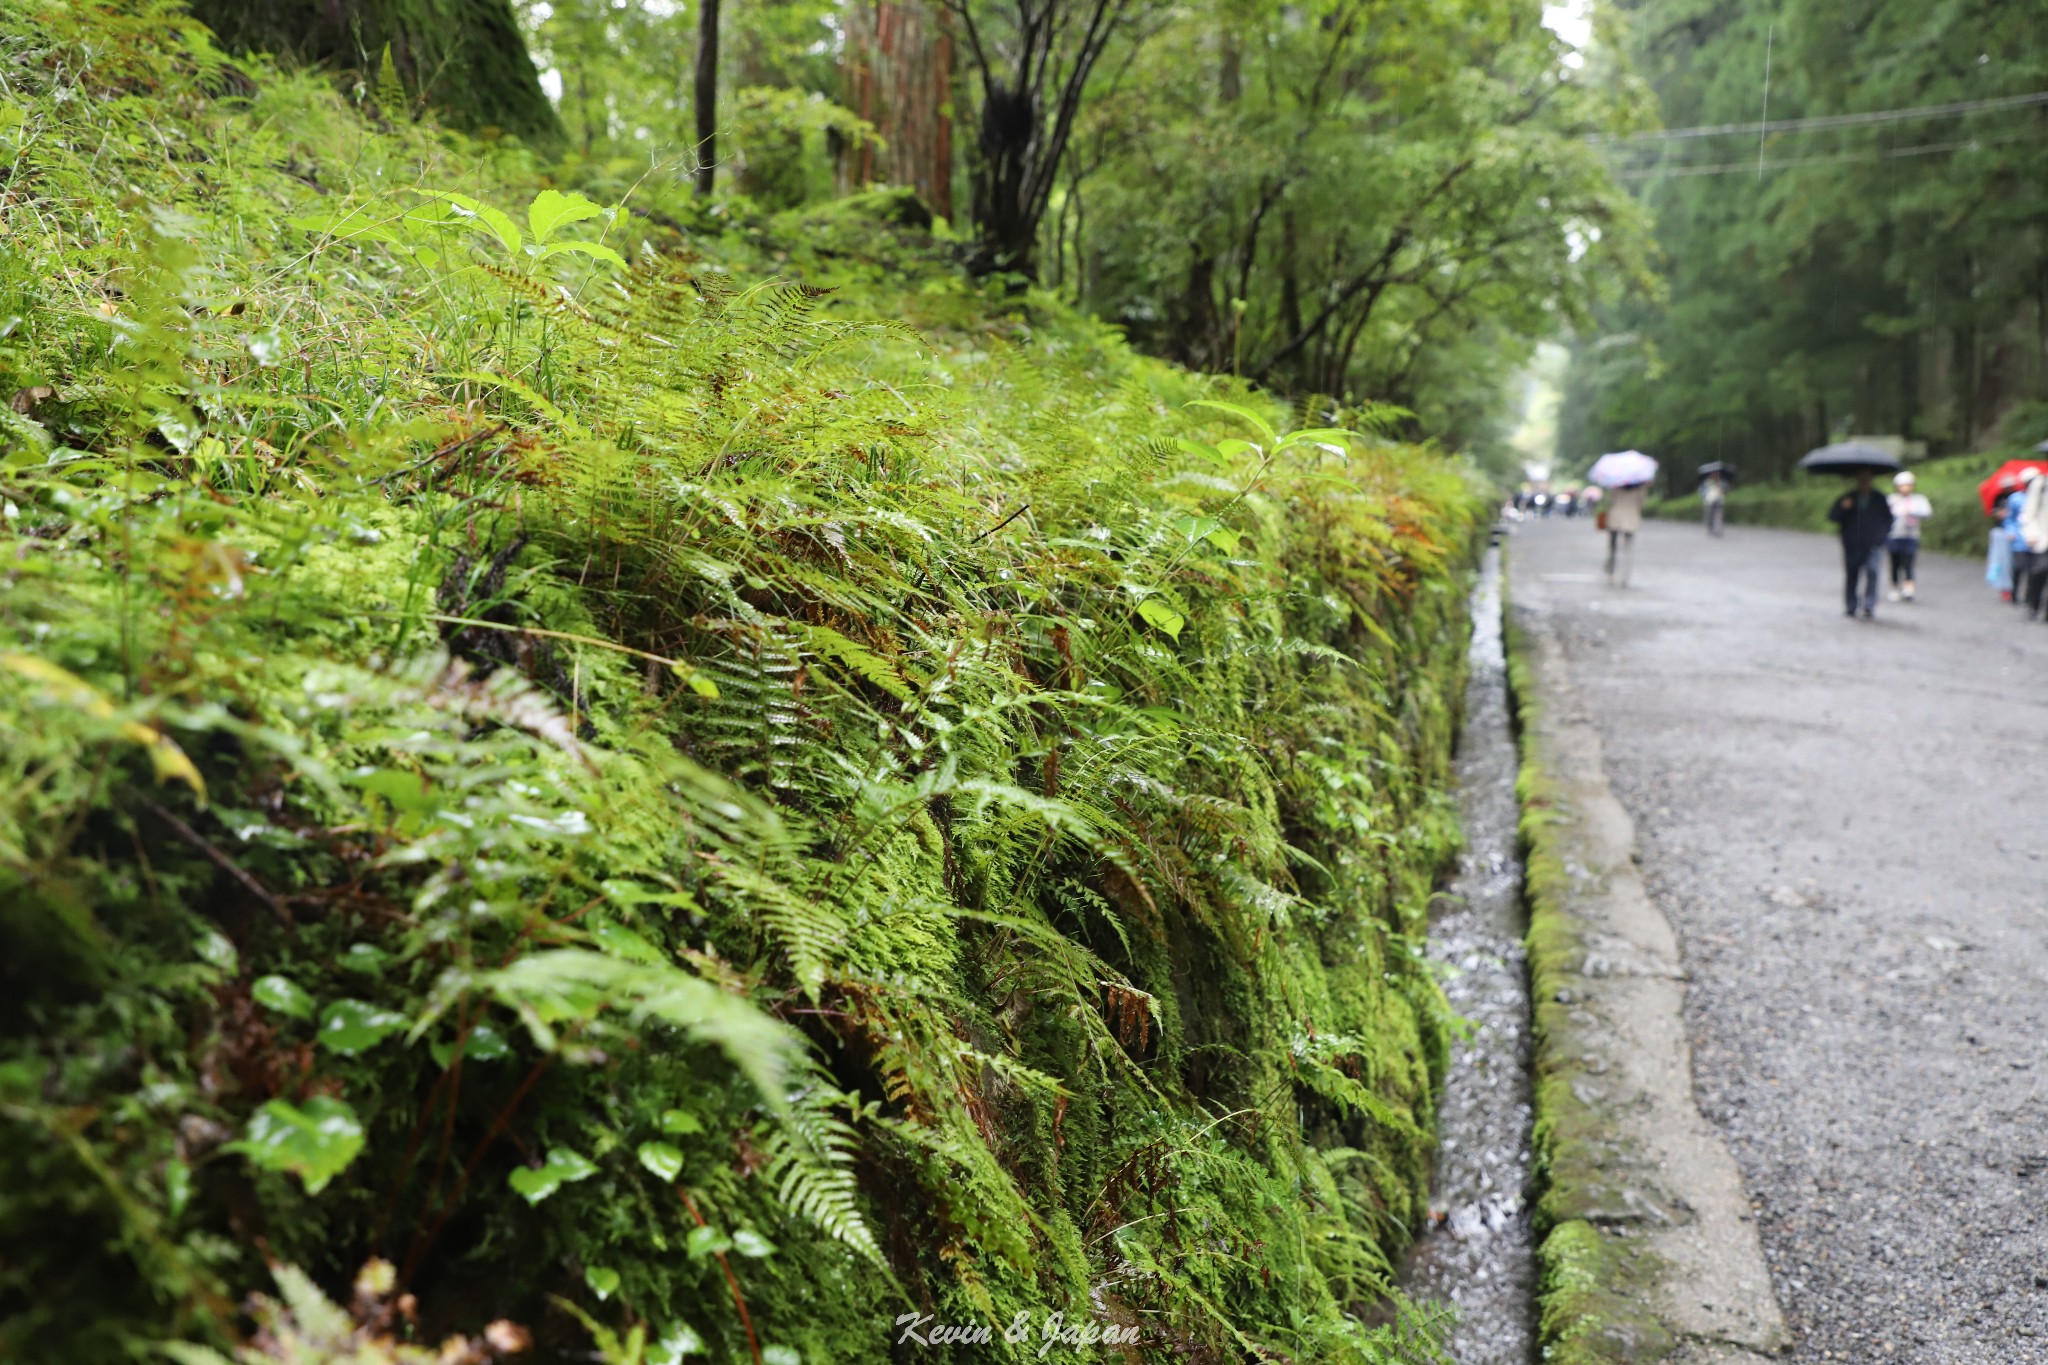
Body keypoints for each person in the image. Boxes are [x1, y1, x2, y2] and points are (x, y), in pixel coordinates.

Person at [1827, 471, 1892, 618]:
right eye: (1861, 479)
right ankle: (1851, 605)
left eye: (1867, 479)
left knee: (1872, 572)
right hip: (1852, 544)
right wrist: (1843, 508)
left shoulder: (1879, 499)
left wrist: (1881, 538)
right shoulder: (1848, 497)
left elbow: (1888, 520)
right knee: (1852, 575)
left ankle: (1869, 604)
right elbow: (1833, 516)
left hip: (1872, 544)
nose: (1864, 482)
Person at [1884, 471, 1931, 602]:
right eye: (1902, 485)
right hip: (1894, 535)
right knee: (1895, 563)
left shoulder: (1918, 500)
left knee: (1909, 562)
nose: (1905, 488)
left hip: (1911, 536)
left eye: (1908, 485)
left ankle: (1908, 587)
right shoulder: (1892, 499)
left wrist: (1912, 512)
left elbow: (1927, 513)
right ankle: (1894, 587)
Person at [1603, 481, 1647, 586]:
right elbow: (1641, 503)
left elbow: (1610, 501)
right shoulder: (1640, 488)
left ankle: (1611, 573)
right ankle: (1625, 576)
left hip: (1615, 518)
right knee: (1627, 549)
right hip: (1631, 519)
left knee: (1613, 548)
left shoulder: (1615, 486)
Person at [2022, 471, 2048, 618]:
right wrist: (2032, 534)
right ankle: (2033, 605)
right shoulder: (2040, 483)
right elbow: (2029, 513)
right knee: (2039, 573)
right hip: (2043, 538)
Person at [1988, 491, 2014, 599]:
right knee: (2000, 561)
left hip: (2013, 534)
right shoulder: (1997, 496)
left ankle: (2012, 588)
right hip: (1999, 532)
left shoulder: (2017, 496)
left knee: (2013, 563)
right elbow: (1992, 513)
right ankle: (2004, 588)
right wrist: (1999, 513)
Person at [1703, 472, 1727, 537]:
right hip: (1709, 501)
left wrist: (1720, 487)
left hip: (1719, 501)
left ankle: (1718, 529)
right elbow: (1704, 491)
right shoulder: (1708, 482)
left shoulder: (1722, 483)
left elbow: (1725, 491)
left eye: (1717, 475)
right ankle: (1710, 528)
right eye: (1714, 475)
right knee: (1709, 517)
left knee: (1719, 516)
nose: (1716, 476)